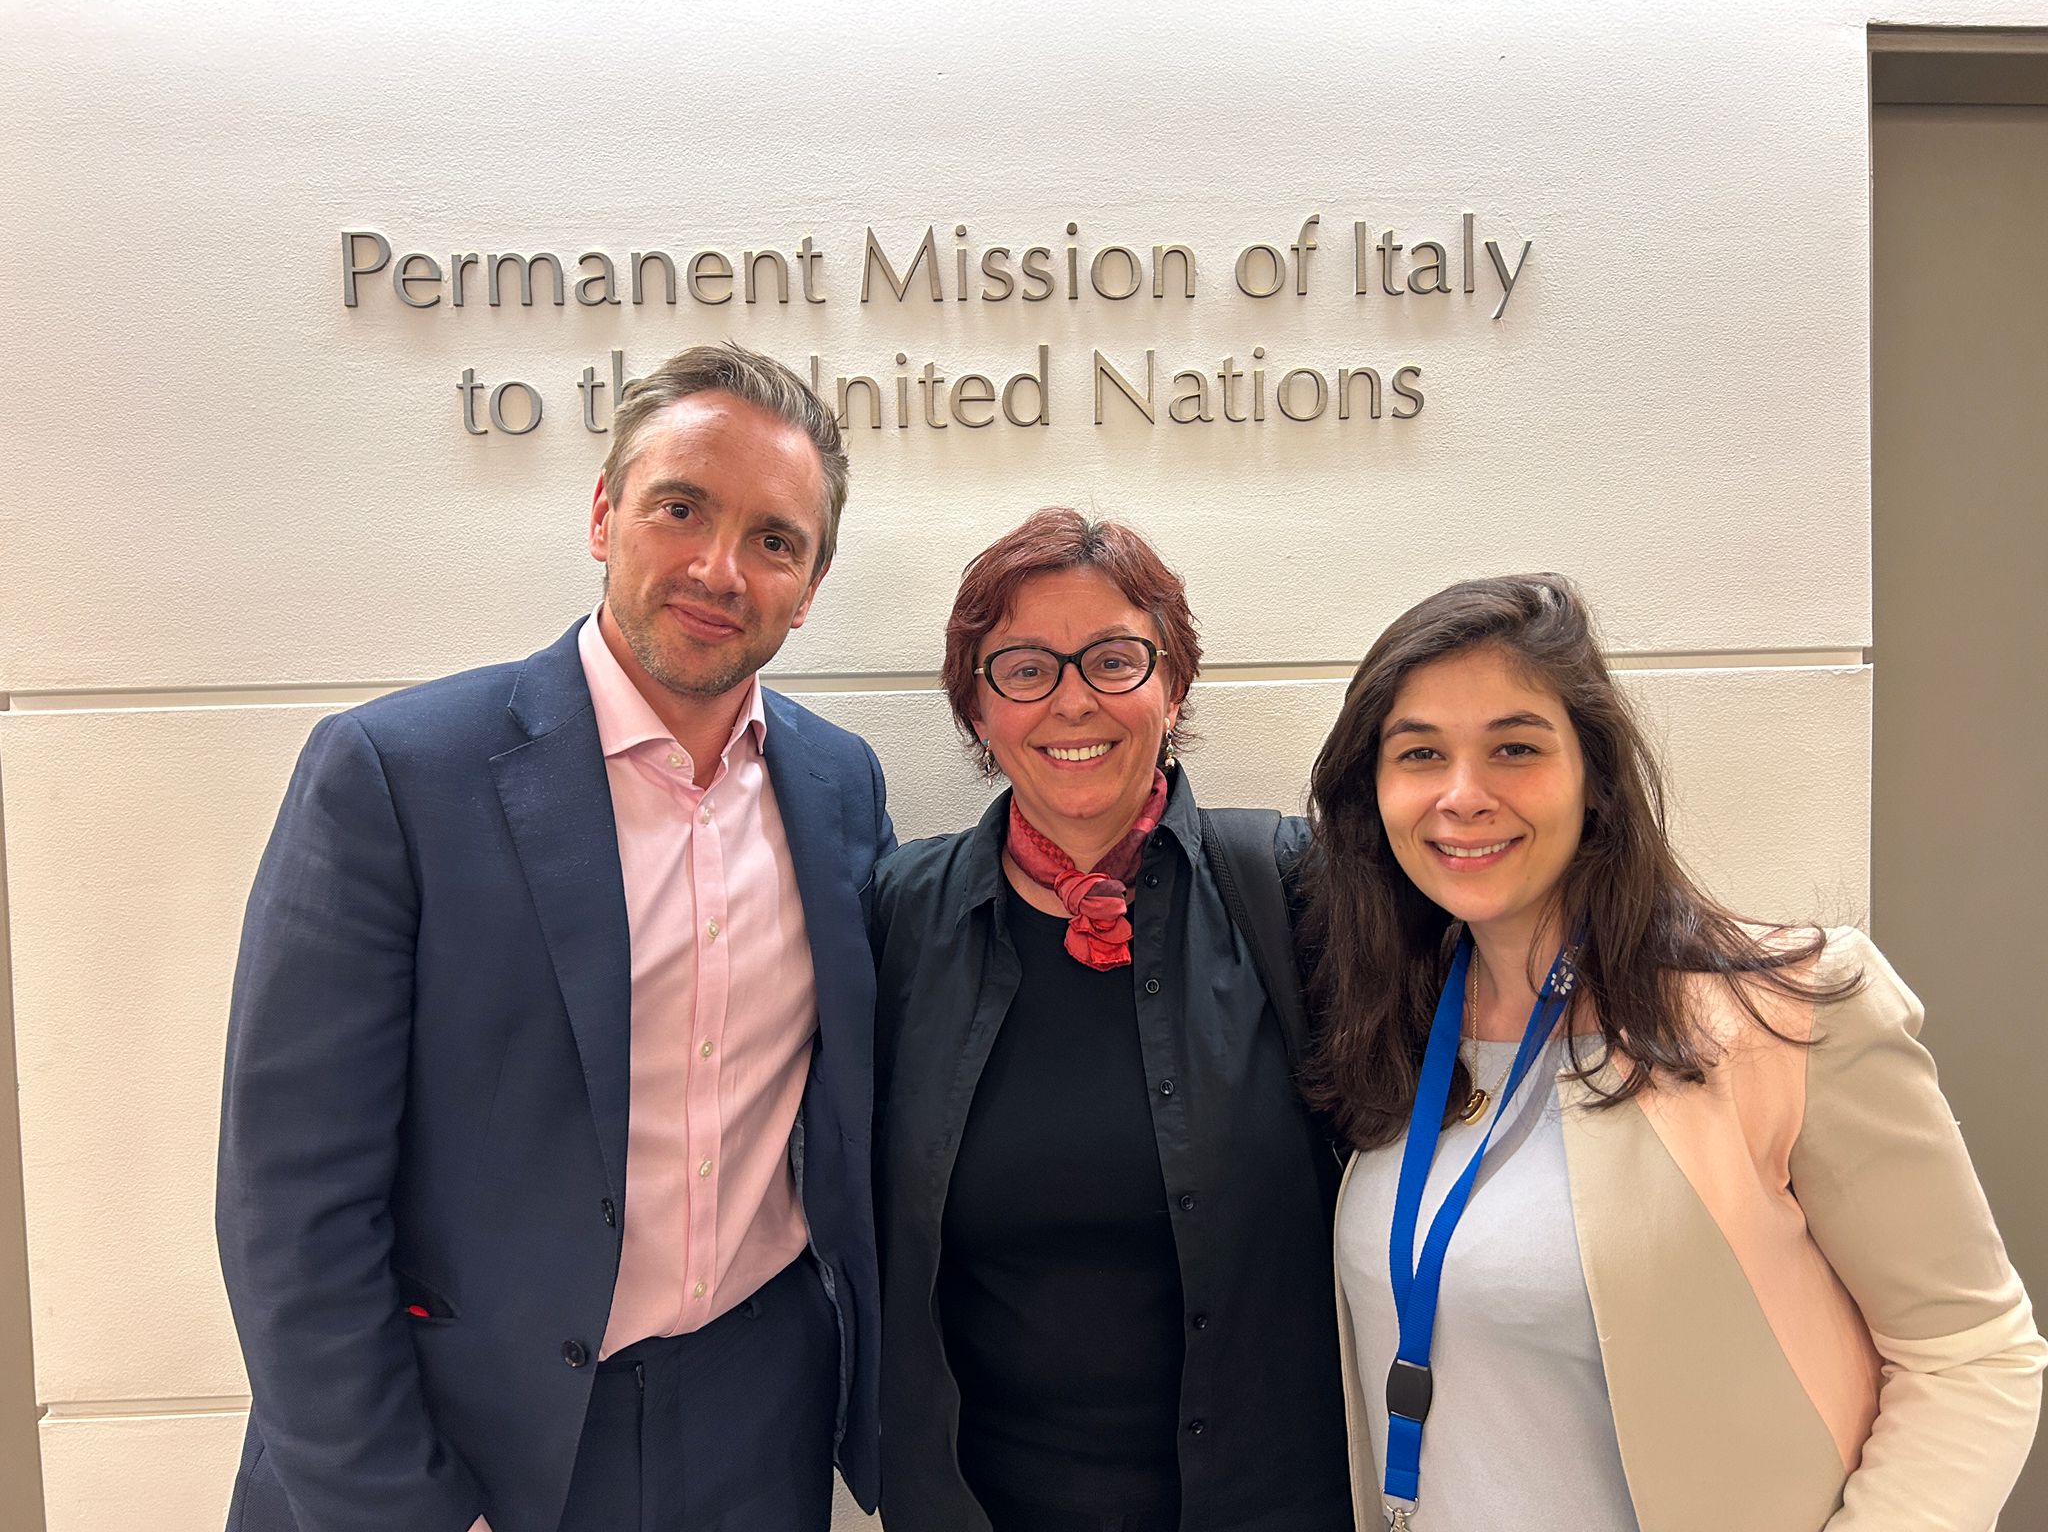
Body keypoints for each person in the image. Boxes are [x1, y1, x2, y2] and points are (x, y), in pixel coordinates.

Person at [216, 342, 893, 1532]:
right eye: (679, 507)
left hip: (753, 1430)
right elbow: (292, 1204)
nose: (717, 567)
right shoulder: (393, 774)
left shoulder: (838, 786)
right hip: (467, 1444)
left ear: (811, 582)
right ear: (602, 514)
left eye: (773, 540)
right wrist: (402, 1509)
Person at [1302, 573, 2044, 1531]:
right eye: (1420, 754)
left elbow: (1971, 1350)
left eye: (1516, 748)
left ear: (1596, 779)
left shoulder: (1788, 1013)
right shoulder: (1387, 1022)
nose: (1462, 795)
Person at [868, 507, 1352, 1532]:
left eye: (1112, 659)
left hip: (1260, 1502)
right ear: (976, 713)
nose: (1071, 700)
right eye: (1023, 668)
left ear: (1171, 687)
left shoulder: (1289, 890)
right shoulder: (901, 915)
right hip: (981, 1507)